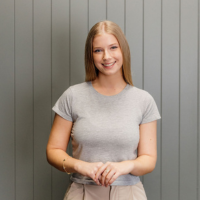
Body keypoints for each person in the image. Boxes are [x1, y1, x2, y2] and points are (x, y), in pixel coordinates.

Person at [46, 20, 161, 200]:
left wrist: (125, 166)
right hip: (82, 192)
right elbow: (53, 151)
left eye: (113, 47)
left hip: (129, 193)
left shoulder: (144, 100)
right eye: (98, 50)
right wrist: (80, 166)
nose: (106, 56)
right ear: (90, 56)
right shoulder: (72, 96)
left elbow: (148, 159)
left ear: (123, 50)